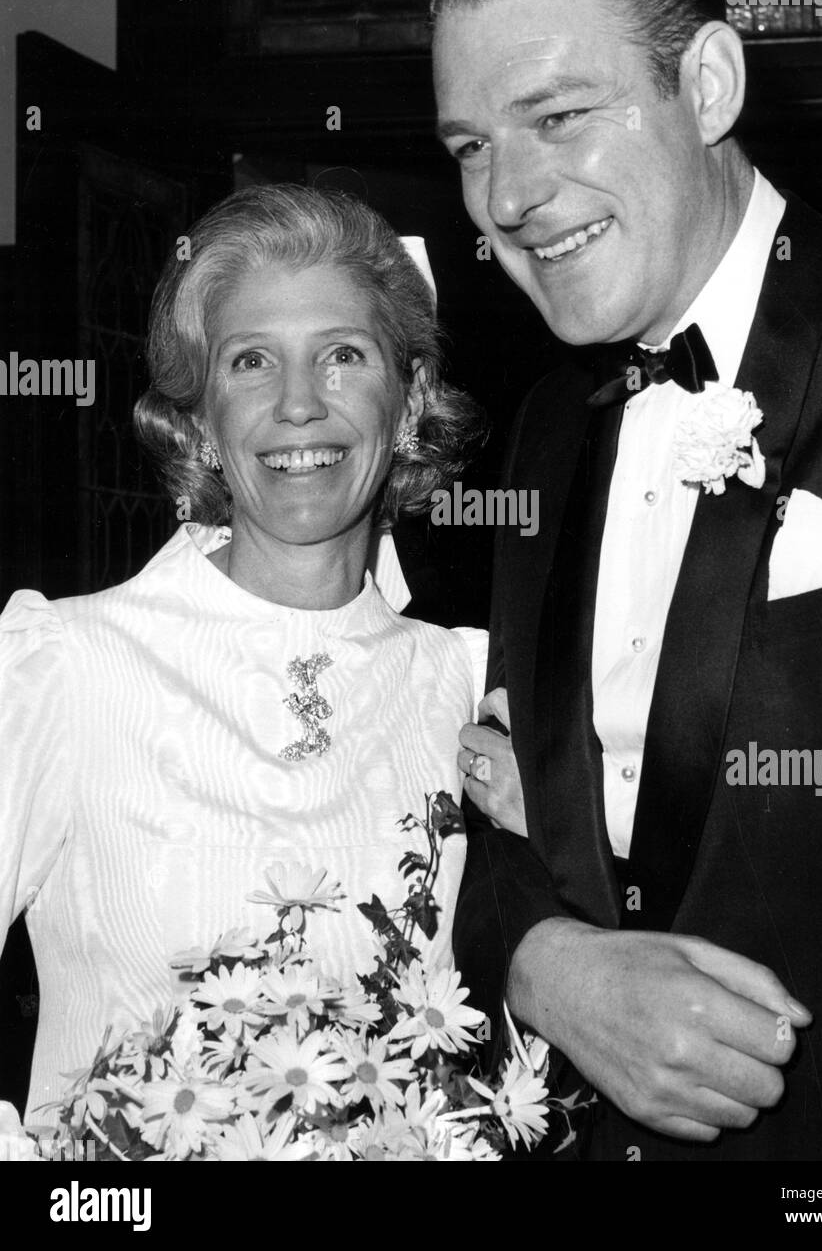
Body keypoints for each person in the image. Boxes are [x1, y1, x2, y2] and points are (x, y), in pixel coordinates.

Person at [435, 0, 822, 1160]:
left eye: (557, 116)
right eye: (466, 146)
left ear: (711, 84)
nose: (505, 197)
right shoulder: (550, 429)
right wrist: (542, 960)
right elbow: (504, 806)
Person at [0, 184, 489, 1128]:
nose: (298, 405)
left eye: (342, 355)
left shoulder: (459, 682)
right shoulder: (67, 666)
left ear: (410, 397)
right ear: (200, 422)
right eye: (252, 361)